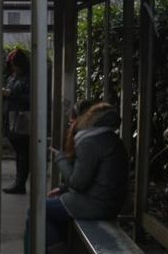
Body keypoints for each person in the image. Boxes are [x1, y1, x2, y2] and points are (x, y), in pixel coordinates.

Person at [42, 101, 128, 250]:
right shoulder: (107, 138)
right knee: (52, 213)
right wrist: (63, 189)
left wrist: (60, 158)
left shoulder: (90, 142)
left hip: (96, 205)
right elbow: (94, 178)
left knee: (38, 210)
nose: (71, 123)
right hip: (105, 203)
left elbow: (78, 182)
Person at [2, 49, 31, 194]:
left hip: (22, 118)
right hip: (13, 117)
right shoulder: (14, 77)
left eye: (14, 65)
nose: (13, 68)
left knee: (23, 153)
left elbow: (33, 98)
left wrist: (11, 94)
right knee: (20, 153)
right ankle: (19, 181)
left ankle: (20, 182)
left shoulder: (28, 78)